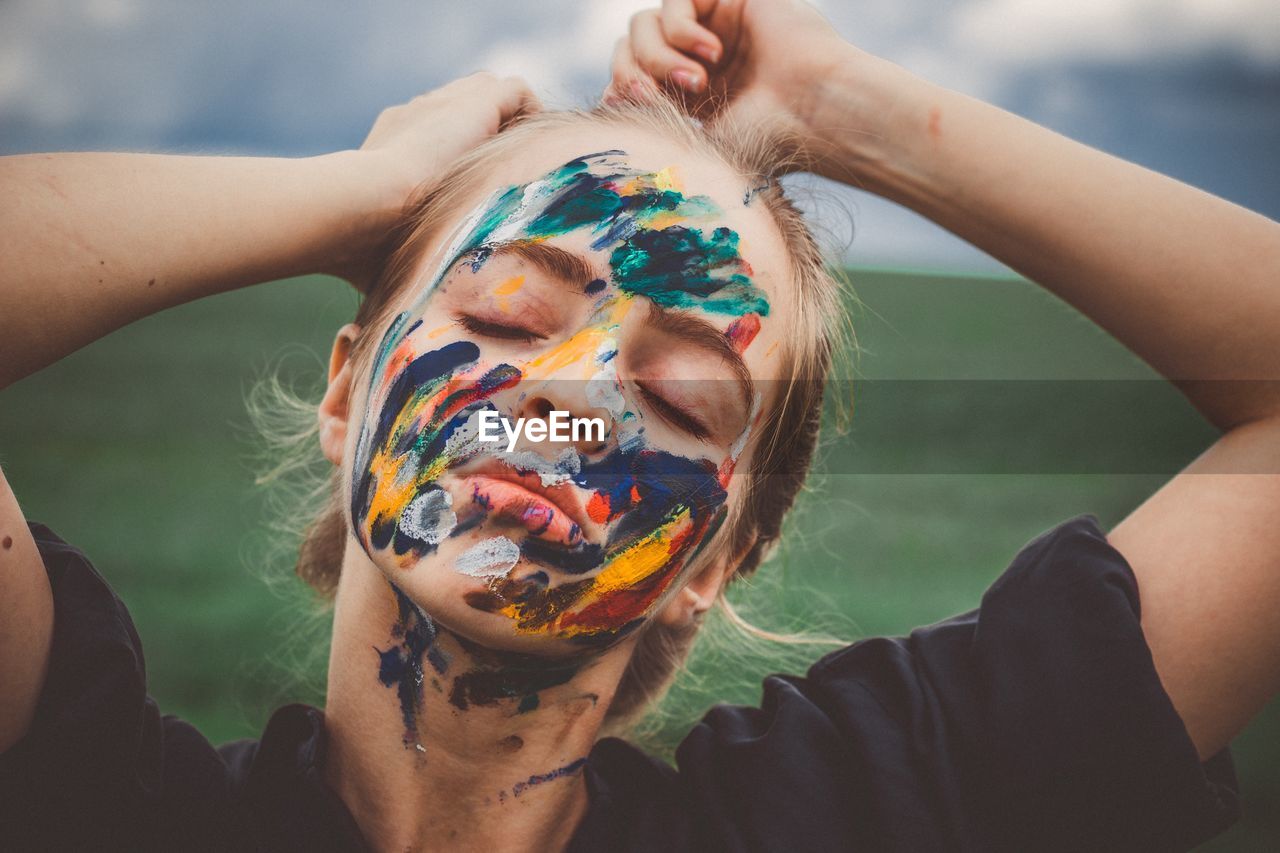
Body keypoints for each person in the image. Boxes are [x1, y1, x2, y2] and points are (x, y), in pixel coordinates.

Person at [1, 0, 1276, 850]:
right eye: (502, 312)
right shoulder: (85, 800)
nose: (570, 396)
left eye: (678, 399)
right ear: (348, 391)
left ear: (717, 554)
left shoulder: (874, 811)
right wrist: (362, 193)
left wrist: (841, 111)